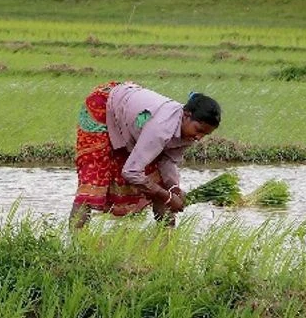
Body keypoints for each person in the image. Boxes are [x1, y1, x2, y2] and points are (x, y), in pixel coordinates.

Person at [70, 82, 221, 228]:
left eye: (205, 134)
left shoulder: (188, 132)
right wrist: (167, 197)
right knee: (93, 180)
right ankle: (76, 245)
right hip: (103, 107)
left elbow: (167, 161)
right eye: (199, 130)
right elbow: (131, 172)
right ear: (186, 115)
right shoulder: (161, 129)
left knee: (157, 179)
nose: (199, 137)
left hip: (132, 119)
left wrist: (174, 189)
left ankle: (166, 239)